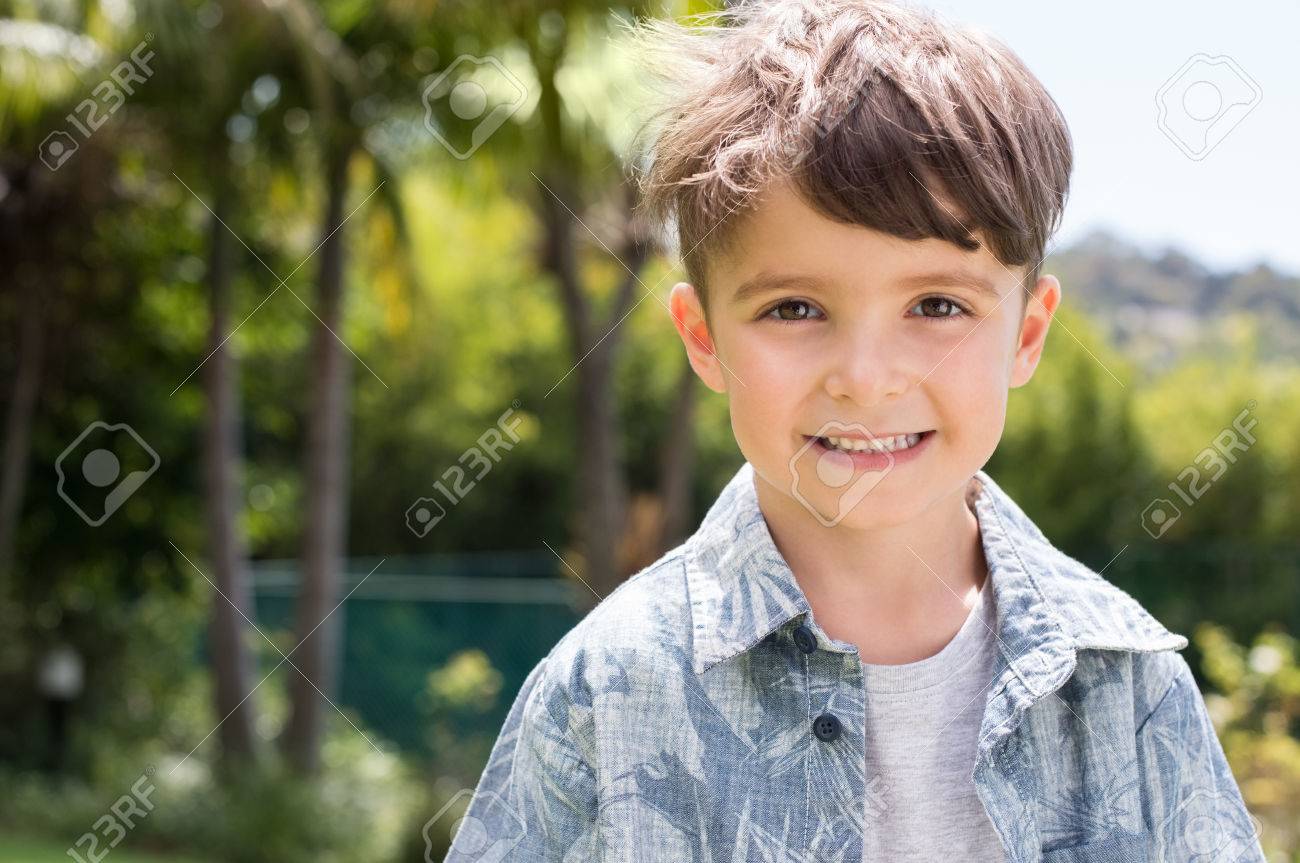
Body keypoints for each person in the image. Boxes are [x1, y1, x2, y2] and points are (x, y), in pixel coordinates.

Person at [445, 1, 1261, 860]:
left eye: (937, 305)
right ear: (703, 337)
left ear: (1026, 334)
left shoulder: (1129, 683)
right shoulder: (603, 693)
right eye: (794, 308)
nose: (866, 378)